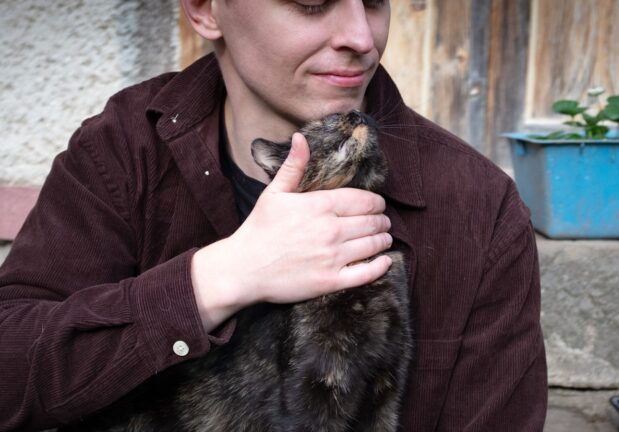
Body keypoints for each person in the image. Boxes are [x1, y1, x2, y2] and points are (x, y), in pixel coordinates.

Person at [0, 0, 547, 430]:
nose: (362, 37)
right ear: (205, 9)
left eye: (375, 0)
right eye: (312, 2)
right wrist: (222, 277)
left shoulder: (478, 206)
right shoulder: (121, 150)